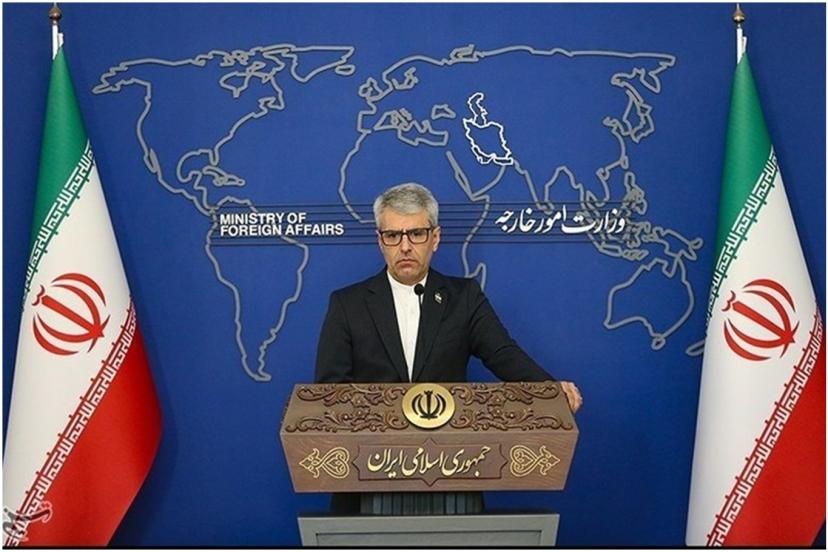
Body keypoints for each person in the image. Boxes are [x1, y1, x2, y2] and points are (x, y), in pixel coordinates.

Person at [315, 182, 582, 408]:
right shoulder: (347, 305)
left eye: (417, 234)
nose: (405, 247)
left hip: (448, 445)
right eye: (393, 235)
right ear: (380, 241)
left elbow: (503, 354)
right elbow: (329, 394)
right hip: (373, 447)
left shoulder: (464, 298)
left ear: (435, 238)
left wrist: (549, 390)